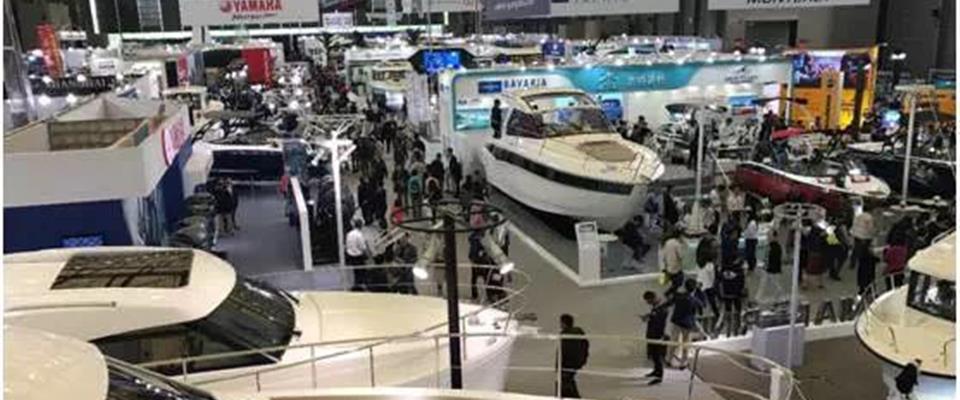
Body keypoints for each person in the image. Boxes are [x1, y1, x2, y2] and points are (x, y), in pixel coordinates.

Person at [669, 279, 703, 368]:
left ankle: (669, 358)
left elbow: (670, 301)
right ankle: (684, 361)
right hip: (687, 323)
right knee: (686, 342)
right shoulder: (694, 300)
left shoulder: (678, 296)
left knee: (674, 340)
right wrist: (699, 291)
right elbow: (702, 305)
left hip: (676, 321)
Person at [641, 291, 669, 385]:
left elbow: (659, 322)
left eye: (648, 300)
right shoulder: (656, 307)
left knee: (657, 355)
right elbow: (654, 317)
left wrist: (650, 317)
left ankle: (659, 376)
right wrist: (648, 316)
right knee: (653, 355)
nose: (647, 303)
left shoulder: (662, 308)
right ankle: (656, 371)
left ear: (652, 298)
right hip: (652, 333)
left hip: (657, 335)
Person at [558, 314, 589, 398]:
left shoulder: (565, 334)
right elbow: (585, 346)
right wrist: (583, 360)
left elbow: (563, 351)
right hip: (576, 363)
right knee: (568, 381)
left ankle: (572, 397)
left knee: (565, 383)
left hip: (566, 364)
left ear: (563, 323)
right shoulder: (579, 333)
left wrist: (558, 365)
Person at [695, 238, 720, 317]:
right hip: (709, 284)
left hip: (701, 283)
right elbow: (712, 276)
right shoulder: (710, 265)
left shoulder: (700, 261)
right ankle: (716, 313)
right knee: (711, 299)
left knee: (701, 299)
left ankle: (701, 313)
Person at [345, 219, 370, 291]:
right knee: (362, 272)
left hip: (350, 255)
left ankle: (356, 285)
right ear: (361, 226)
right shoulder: (359, 235)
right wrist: (367, 255)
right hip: (358, 256)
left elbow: (347, 245)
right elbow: (362, 247)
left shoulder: (349, 234)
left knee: (355, 271)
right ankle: (362, 286)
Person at [661, 227, 685, 297]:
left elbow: (664, 254)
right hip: (676, 267)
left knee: (674, 281)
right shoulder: (677, 244)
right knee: (678, 282)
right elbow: (681, 256)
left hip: (668, 265)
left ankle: (672, 293)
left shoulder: (668, 242)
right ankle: (670, 293)